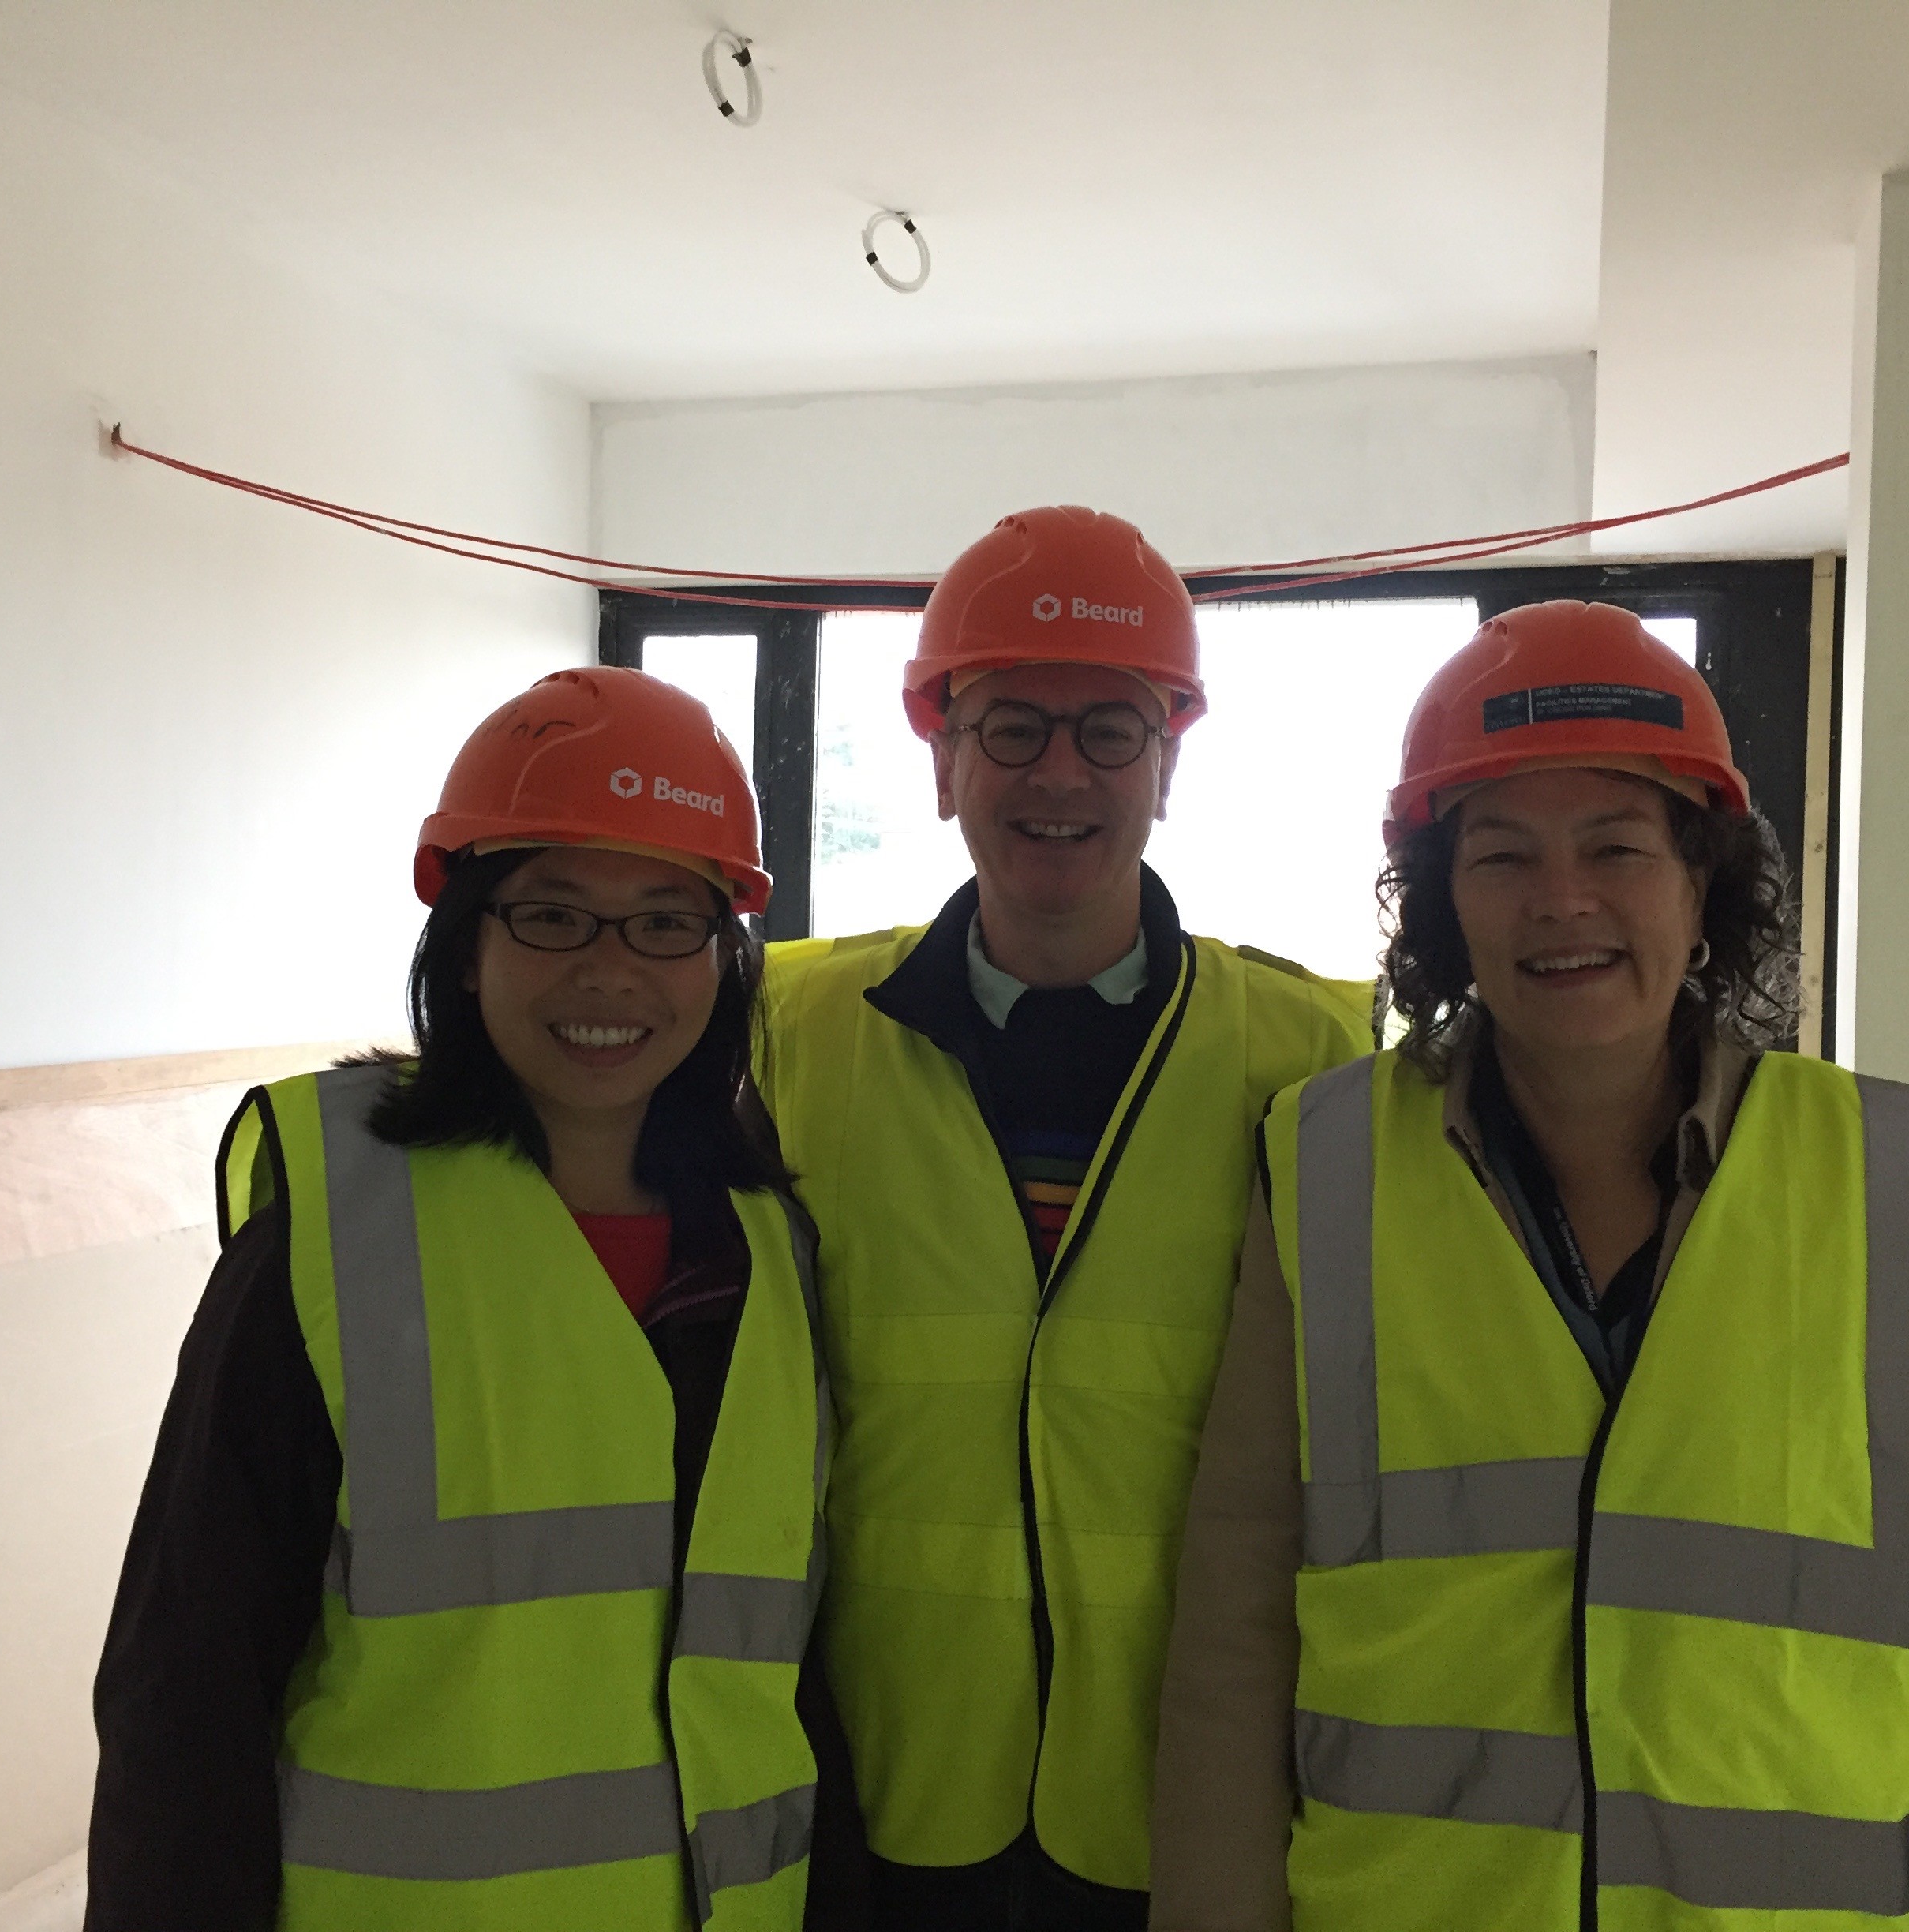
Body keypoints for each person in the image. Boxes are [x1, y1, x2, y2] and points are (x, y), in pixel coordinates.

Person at [1148, 600, 1909, 1930]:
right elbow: (1237, 1630)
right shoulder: (1325, 1168)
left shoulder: (1881, 1176)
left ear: (1700, 884)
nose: (1563, 902)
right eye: (1500, 857)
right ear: (1445, 899)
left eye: (1616, 846)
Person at [86, 668, 859, 1931]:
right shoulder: (335, 1237)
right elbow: (187, 1690)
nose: (612, 972)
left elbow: (786, 1670)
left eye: (667, 920)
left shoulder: (767, 1252)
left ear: (725, 954)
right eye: (554, 914)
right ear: (467, 937)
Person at [760, 506, 1373, 1930]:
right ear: (939, 755)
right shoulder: (793, 1030)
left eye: (1110, 730)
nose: (1059, 773)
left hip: (1182, 1785)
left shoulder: (1315, 1053)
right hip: (877, 1774)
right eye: (1011, 725)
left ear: (1170, 761)